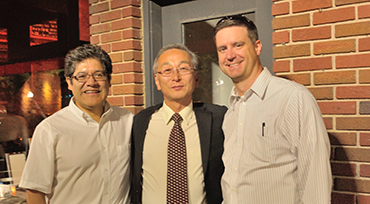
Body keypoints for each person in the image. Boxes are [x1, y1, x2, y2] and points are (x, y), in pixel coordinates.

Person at [214, 15, 332, 203]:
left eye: (238, 45)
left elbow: (316, 179)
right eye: (222, 48)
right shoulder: (231, 112)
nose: (229, 55)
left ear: (257, 46)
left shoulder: (293, 98)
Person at [19, 44, 133, 204]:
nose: (91, 82)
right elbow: (34, 192)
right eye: (82, 76)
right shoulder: (50, 130)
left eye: (99, 74)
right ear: (69, 82)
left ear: (109, 80)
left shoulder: (126, 120)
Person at [131, 43, 227, 204]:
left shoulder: (218, 119)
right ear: (157, 80)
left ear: (196, 78)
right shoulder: (140, 122)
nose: (176, 77)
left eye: (183, 69)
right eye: (167, 71)